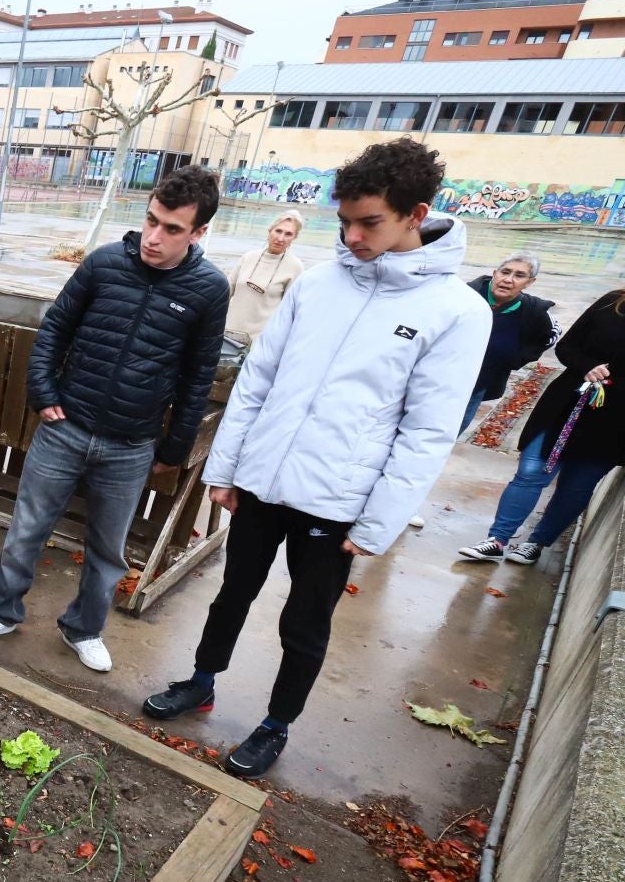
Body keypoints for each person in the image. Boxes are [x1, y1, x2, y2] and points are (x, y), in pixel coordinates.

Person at [140, 138, 491, 777]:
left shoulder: (457, 312)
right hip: (263, 483)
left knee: (305, 622)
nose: (352, 236)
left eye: (370, 222)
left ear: (416, 213)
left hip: (337, 503)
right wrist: (226, 469)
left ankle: (275, 725)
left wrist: (378, 522)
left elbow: (427, 430)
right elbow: (259, 379)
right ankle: (201, 679)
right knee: (232, 593)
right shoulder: (319, 284)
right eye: (345, 221)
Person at [0, 166, 229, 672]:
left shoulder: (209, 289)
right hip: (66, 429)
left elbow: (198, 376)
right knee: (26, 529)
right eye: (151, 220)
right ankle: (2, 611)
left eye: (172, 229)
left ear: (198, 233)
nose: (154, 237)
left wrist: (174, 448)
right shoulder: (105, 264)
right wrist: (43, 393)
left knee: (108, 550)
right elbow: (54, 329)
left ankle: (83, 629)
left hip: (131, 445)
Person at [458, 240, 625, 566]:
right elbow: (567, 347)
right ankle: (498, 538)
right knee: (531, 471)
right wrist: (586, 365)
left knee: (576, 485)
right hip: (566, 405)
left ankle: (537, 542)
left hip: (619, 422)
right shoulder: (612, 302)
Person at [459, 251, 560, 435]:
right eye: (505, 272)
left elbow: (552, 335)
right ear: (495, 273)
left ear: (530, 282)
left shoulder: (534, 310)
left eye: (519, 275)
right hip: (439, 378)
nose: (508, 279)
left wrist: (517, 358)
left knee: (447, 438)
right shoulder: (464, 295)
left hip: (477, 386)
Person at [224, 210, 306, 340]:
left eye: (288, 234)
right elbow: (224, 293)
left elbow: (289, 313)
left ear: (294, 238)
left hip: (261, 341)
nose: (280, 239)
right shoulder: (248, 257)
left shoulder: (295, 267)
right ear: (270, 230)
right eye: (278, 231)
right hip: (227, 334)